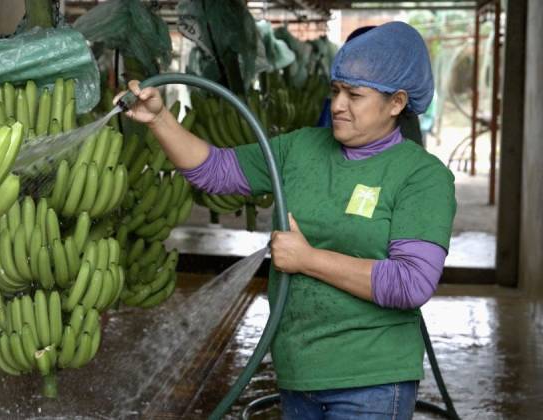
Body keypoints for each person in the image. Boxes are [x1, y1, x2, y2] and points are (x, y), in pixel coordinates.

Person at [117, 21, 455, 420]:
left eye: (354, 95)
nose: (338, 105)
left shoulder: (421, 176)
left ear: (397, 103)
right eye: (335, 91)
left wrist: (307, 259)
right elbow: (216, 171)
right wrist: (159, 120)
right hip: (299, 372)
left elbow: (411, 283)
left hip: (371, 378)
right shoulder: (301, 148)